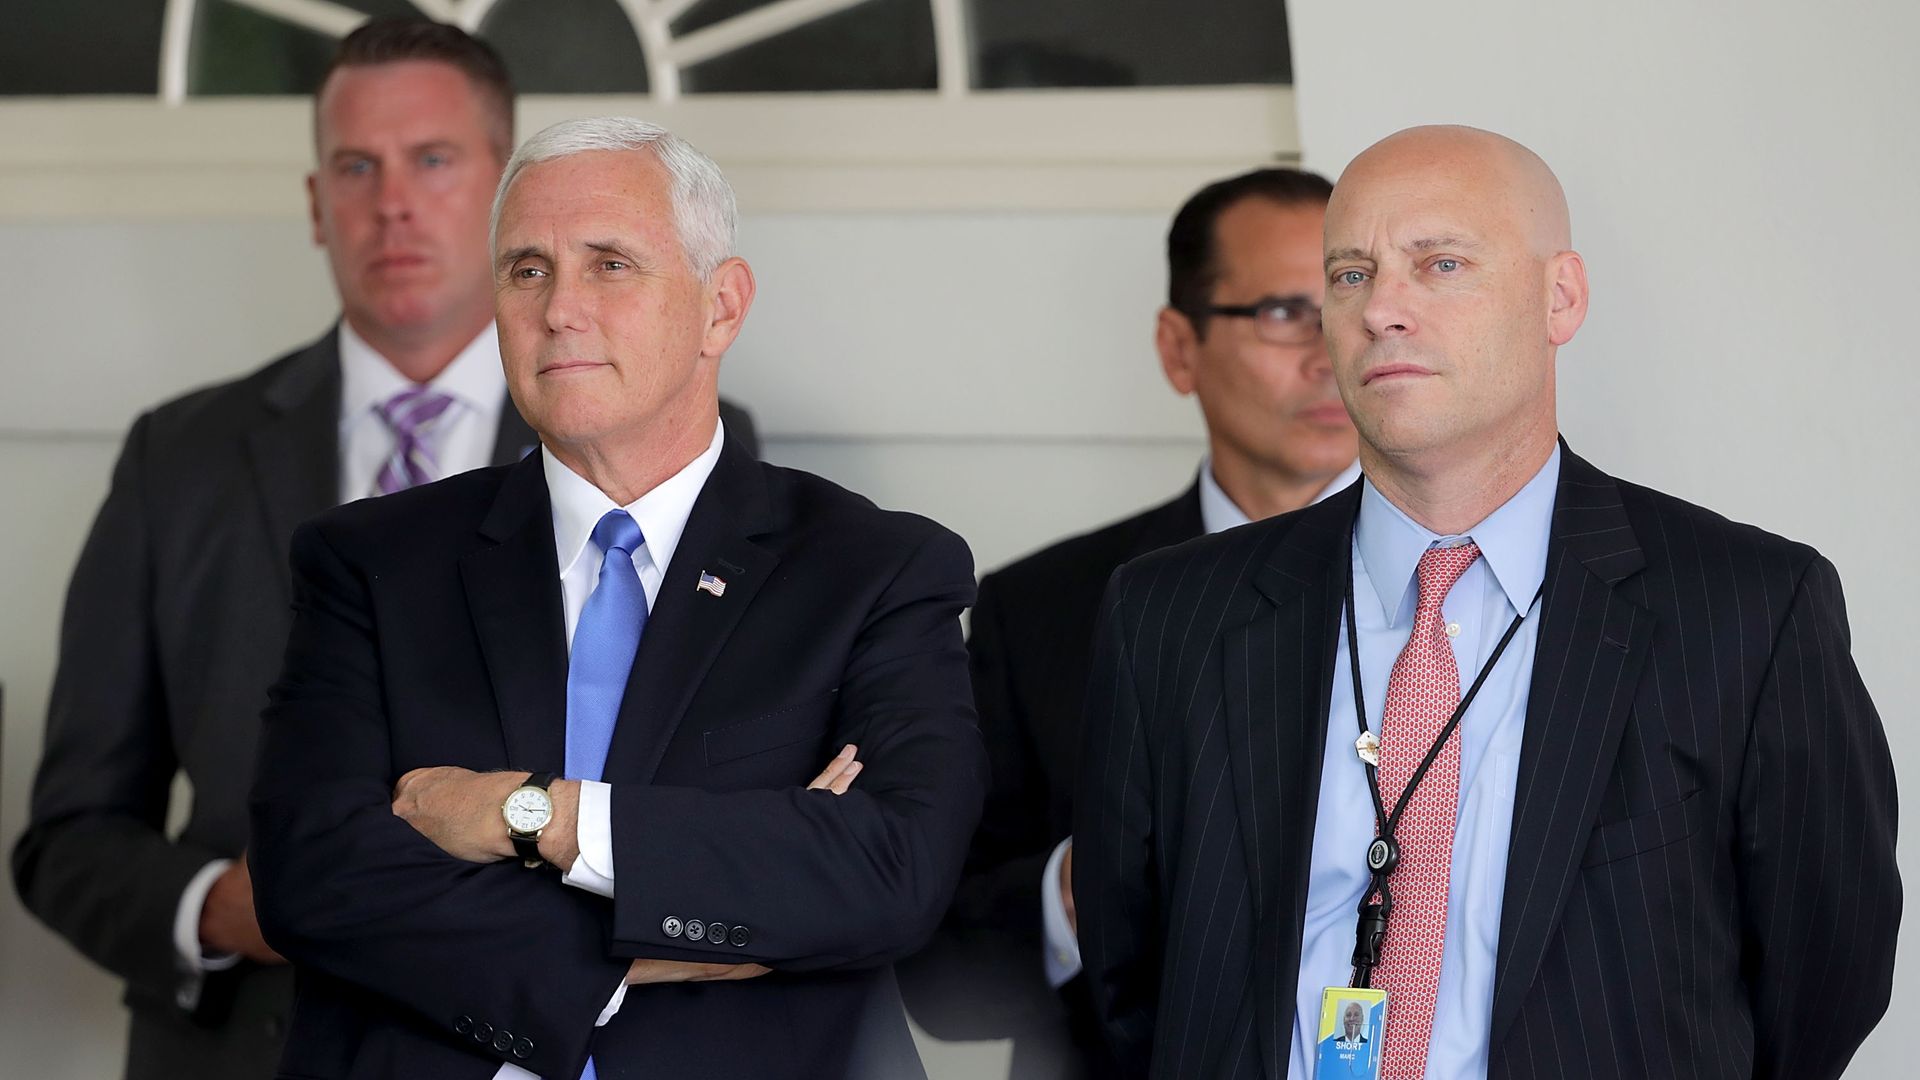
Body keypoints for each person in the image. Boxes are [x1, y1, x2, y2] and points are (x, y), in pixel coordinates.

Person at [10, 18, 759, 1079]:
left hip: (569, 1045)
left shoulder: (672, 430)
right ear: (316, 203)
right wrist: (221, 910)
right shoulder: (176, 460)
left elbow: (694, 814)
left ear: (510, 191)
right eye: (355, 167)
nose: (392, 202)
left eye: (435, 161)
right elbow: (71, 833)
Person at [1073, 126, 1898, 1079]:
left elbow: (1823, 978)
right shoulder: (1169, 614)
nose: (1383, 306)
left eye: (1442, 264)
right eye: (1350, 275)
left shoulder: (1749, 611)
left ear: (1561, 297)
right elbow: (1130, 979)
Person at [246, 116, 985, 1080]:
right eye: (526, 270)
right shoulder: (369, 562)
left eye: (610, 265)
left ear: (721, 306)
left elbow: (891, 872)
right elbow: (314, 879)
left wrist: (531, 815)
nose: (559, 310)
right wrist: (683, 925)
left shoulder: (875, 570)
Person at [901, 167, 1358, 1078]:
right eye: (1282, 311)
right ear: (1178, 347)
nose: (1329, 352)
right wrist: (1080, 888)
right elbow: (936, 960)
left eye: (1350, 300)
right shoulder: (1040, 611)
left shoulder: (1472, 584)